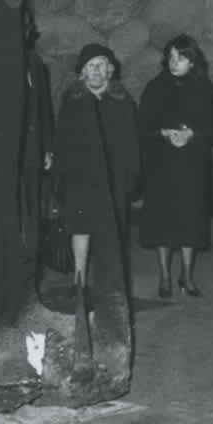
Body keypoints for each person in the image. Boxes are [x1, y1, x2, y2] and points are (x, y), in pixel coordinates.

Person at [137, 35, 213, 299]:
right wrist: (163, 132)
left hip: (193, 163)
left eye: (180, 57)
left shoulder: (204, 88)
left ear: (192, 61)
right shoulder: (156, 87)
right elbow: (142, 124)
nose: (174, 62)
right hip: (162, 163)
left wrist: (194, 134)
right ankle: (165, 277)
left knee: (191, 218)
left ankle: (188, 276)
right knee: (163, 218)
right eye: (170, 57)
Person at [53, 43, 141, 290]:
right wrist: (60, 176)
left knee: (110, 232)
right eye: (90, 66)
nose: (95, 71)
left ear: (109, 70)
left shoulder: (122, 101)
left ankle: (110, 283)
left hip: (113, 178)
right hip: (81, 177)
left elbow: (132, 142)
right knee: (81, 229)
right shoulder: (72, 100)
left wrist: (132, 176)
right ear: (83, 72)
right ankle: (79, 279)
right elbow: (62, 141)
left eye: (101, 65)